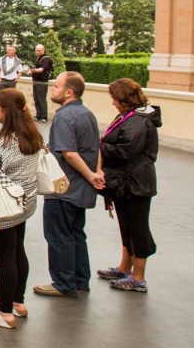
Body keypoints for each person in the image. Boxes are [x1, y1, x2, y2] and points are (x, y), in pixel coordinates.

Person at [34, 72, 103, 299]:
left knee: (59, 236)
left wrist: (91, 175)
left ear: (69, 92)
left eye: (56, 86)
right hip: (80, 190)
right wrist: (95, 172)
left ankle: (63, 283)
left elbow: (69, 153)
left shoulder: (64, 116)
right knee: (75, 234)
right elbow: (96, 147)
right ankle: (80, 280)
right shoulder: (87, 114)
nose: (52, 89)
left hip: (64, 189)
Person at [96, 78, 161, 293]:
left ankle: (138, 277)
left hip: (136, 183)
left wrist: (101, 146)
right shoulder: (131, 117)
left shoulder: (139, 121)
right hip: (128, 182)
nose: (113, 102)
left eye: (115, 98)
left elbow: (125, 150)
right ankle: (125, 268)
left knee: (138, 229)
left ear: (126, 99)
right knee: (127, 226)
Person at [0, 88, 43, 326]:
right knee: (18, 250)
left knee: (5, 257)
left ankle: (5, 311)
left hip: (5, 207)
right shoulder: (32, 135)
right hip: (24, 203)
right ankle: (17, 301)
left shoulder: (3, 144)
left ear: (7, 111)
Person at [29, 43, 54, 123]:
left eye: (39, 50)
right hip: (36, 81)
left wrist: (34, 70)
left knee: (41, 100)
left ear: (43, 50)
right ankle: (38, 115)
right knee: (36, 99)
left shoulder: (46, 59)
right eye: (36, 50)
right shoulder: (37, 58)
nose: (37, 52)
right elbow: (35, 68)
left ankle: (44, 117)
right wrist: (31, 71)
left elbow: (42, 69)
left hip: (42, 82)